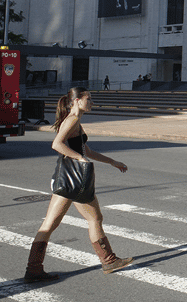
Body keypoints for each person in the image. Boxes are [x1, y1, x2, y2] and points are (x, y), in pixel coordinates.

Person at [23, 87, 134, 283]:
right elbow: (57, 144)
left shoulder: (75, 120)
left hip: (66, 179)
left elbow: (86, 150)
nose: (92, 102)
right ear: (77, 101)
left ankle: (33, 270)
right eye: (88, 99)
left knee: (50, 224)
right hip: (73, 179)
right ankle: (108, 261)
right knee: (94, 218)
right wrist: (79, 158)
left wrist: (112, 161)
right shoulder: (72, 119)